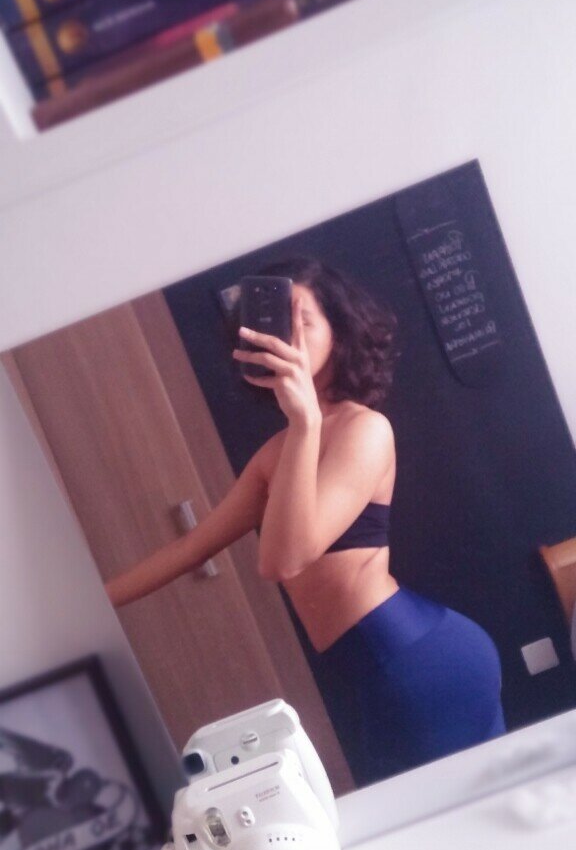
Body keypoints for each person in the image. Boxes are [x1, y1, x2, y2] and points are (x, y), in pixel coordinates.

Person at [106, 256, 505, 784]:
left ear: (339, 332)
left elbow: (284, 559)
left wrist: (305, 421)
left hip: (418, 660)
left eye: (303, 320)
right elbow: (191, 548)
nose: (287, 338)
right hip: (366, 668)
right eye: (277, 322)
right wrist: (86, 605)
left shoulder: (365, 429)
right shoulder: (277, 453)